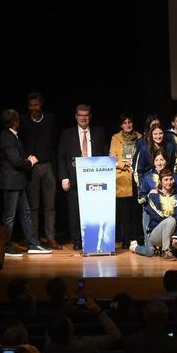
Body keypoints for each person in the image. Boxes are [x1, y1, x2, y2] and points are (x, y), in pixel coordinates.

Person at [0, 110, 51, 255]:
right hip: (11, 182)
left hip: (18, 182)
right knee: (9, 216)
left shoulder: (12, 136)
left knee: (26, 212)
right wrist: (30, 162)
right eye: (18, 119)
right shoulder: (7, 137)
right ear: (14, 121)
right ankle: (5, 246)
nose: (19, 122)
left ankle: (33, 244)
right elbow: (15, 161)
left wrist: (27, 160)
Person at [57, 103, 107, 249]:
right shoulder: (67, 134)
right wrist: (64, 177)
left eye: (86, 115)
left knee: (94, 211)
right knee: (75, 213)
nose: (83, 118)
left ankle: (94, 241)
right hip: (74, 179)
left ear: (90, 117)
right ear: (76, 117)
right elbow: (61, 157)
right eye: (81, 115)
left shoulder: (99, 132)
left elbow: (104, 154)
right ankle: (78, 242)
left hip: (95, 179)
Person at [20, 92, 58, 248]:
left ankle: (51, 237)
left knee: (50, 205)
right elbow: (20, 143)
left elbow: (55, 141)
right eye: (30, 105)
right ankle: (33, 238)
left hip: (48, 165)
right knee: (33, 206)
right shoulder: (23, 120)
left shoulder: (50, 119)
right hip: (33, 167)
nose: (33, 108)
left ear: (41, 105)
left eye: (36, 105)